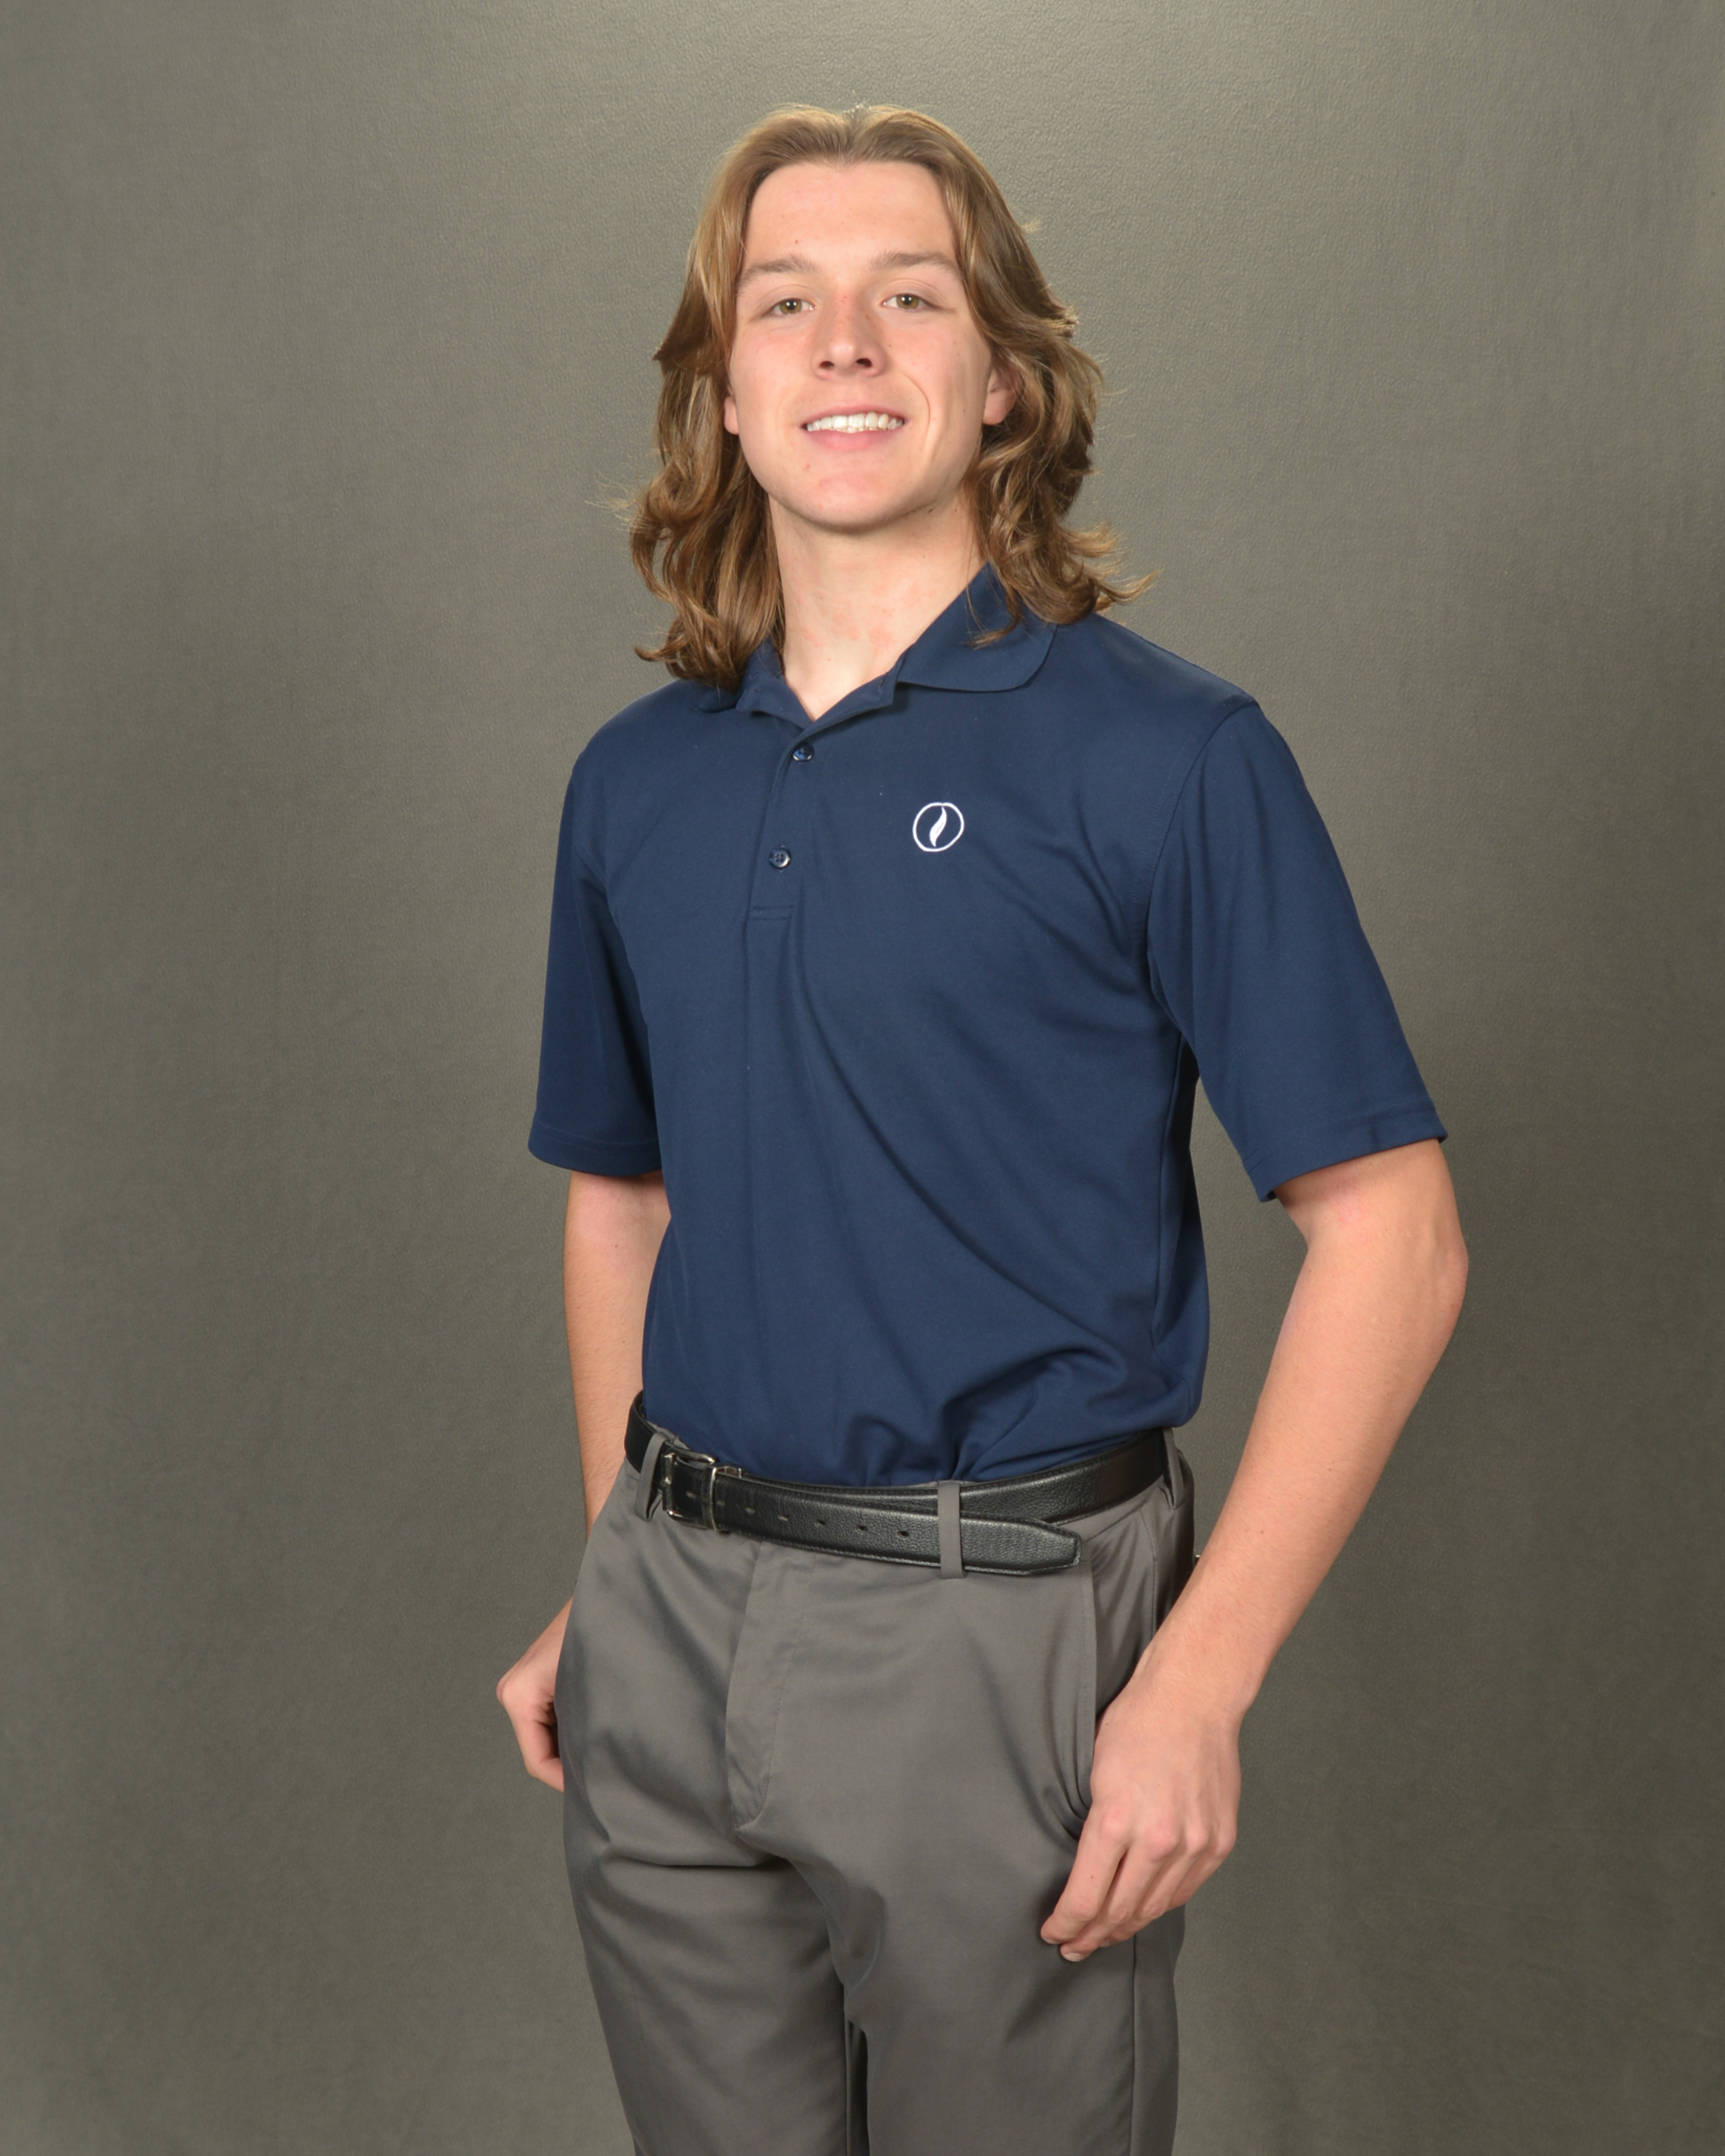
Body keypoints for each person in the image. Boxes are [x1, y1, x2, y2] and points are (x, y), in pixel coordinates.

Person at [497, 103, 1466, 2156]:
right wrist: (615, 1564)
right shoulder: (636, 782)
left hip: (1001, 1625)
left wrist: (1196, 1683)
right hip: (667, 1627)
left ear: (1005, 377)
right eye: (786, 303)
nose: (845, 342)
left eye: (910, 297)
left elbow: (1395, 1230)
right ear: (724, 391)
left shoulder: (1169, 758)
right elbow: (624, 1198)